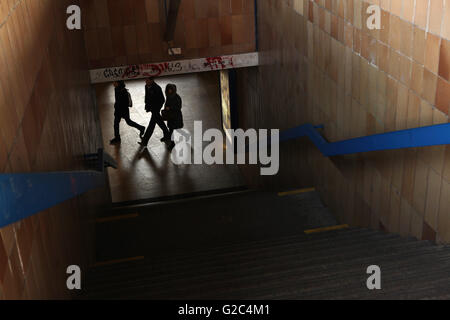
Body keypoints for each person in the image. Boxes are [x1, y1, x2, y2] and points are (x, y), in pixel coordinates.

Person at [139, 77, 171, 148]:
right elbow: (147, 97)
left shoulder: (157, 88)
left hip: (155, 109)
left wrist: (156, 109)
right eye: (145, 80)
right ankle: (167, 135)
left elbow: (162, 100)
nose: (146, 81)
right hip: (152, 109)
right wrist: (147, 106)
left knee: (151, 125)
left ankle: (144, 141)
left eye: (147, 80)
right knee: (160, 122)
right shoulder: (146, 86)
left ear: (152, 80)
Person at [110, 81, 145, 145]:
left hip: (124, 110)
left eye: (115, 82)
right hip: (118, 110)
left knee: (129, 122)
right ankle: (117, 138)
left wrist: (119, 107)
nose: (113, 83)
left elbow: (125, 104)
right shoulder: (116, 89)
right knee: (116, 124)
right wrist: (116, 106)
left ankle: (141, 128)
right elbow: (117, 100)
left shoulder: (124, 92)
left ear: (118, 83)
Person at [162, 84, 184, 150]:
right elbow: (166, 104)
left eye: (170, 89)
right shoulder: (169, 96)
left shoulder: (177, 97)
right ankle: (173, 142)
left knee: (173, 130)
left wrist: (170, 108)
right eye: (168, 89)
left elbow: (179, 107)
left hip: (176, 117)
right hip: (171, 117)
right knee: (172, 129)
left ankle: (173, 144)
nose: (169, 90)